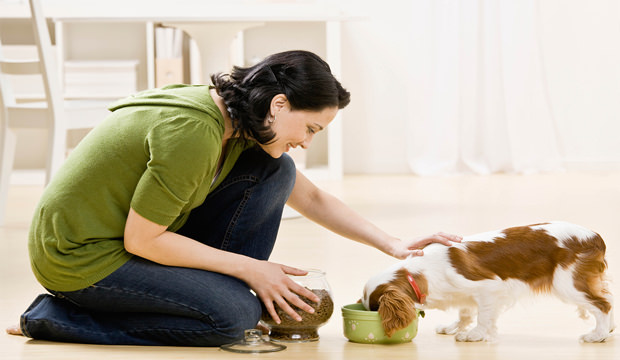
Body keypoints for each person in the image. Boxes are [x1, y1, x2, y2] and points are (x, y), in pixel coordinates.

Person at [6, 50, 461, 346]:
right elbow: (142, 240)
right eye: (310, 129)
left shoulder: (241, 119)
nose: (306, 141)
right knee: (231, 320)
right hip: (81, 257)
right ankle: (55, 318)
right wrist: (251, 269)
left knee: (276, 171)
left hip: (130, 239)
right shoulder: (194, 133)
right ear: (279, 105)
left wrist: (394, 246)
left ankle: (221, 292)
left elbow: (313, 199)